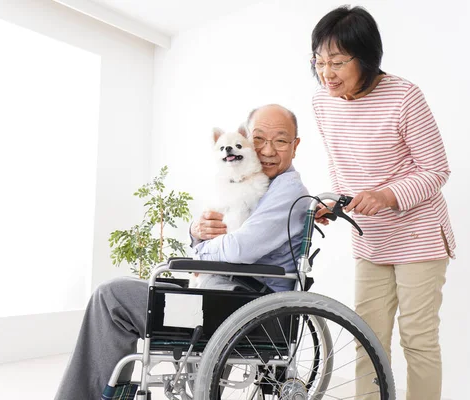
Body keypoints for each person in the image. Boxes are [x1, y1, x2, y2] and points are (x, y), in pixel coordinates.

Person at [54, 104, 307, 399]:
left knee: (112, 298)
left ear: (295, 145)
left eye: (280, 140)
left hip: (239, 306)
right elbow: (223, 234)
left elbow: (238, 248)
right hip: (227, 295)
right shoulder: (259, 184)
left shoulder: (287, 192)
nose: (267, 150)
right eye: (259, 139)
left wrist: (198, 255)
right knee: (117, 296)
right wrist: (197, 233)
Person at [310, 6, 456, 400]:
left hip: (419, 234)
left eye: (338, 62)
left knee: (418, 339)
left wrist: (387, 195)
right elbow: (342, 163)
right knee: (366, 337)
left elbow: (436, 170)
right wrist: (336, 202)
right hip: (371, 239)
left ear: (367, 58)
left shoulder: (404, 95)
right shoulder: (323, 102)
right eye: (320, 62)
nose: (328, 73)